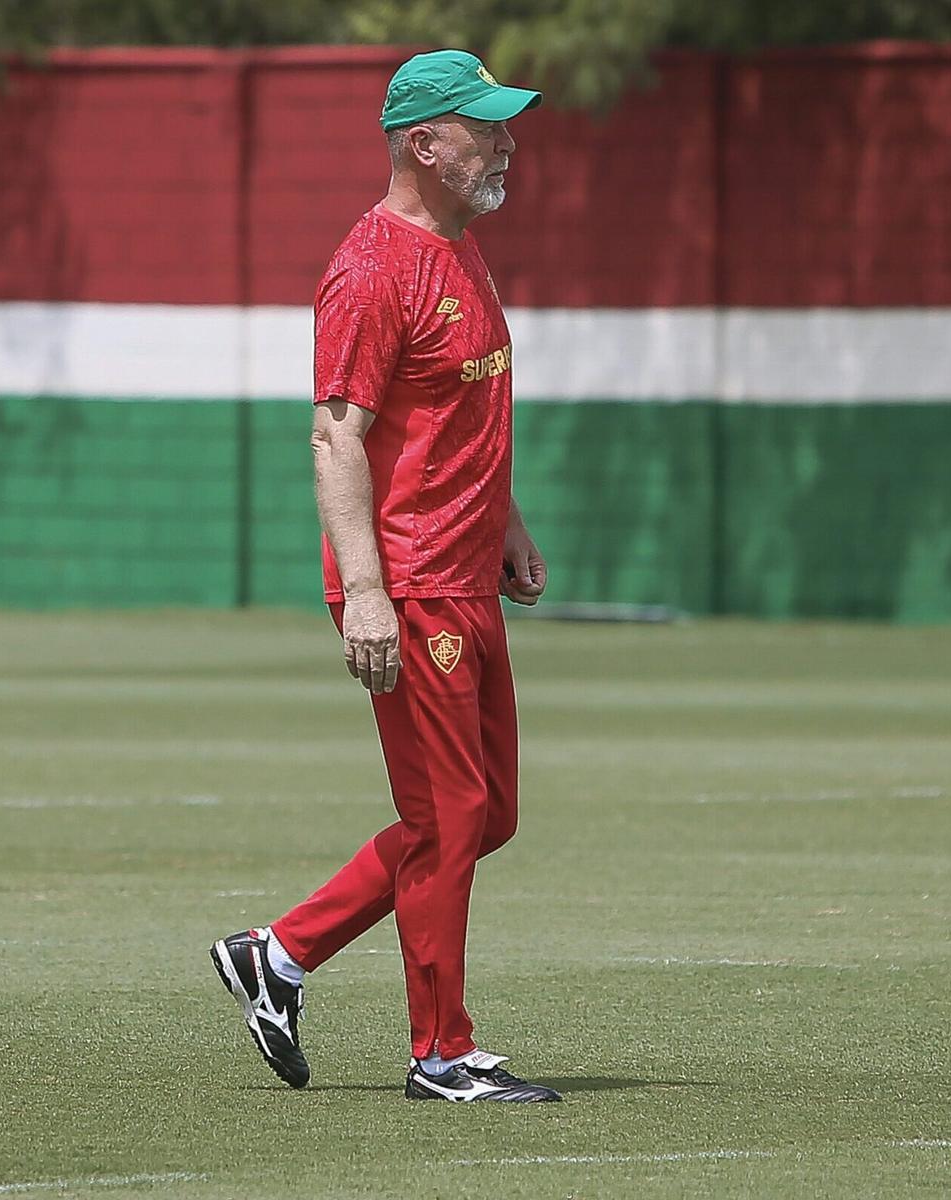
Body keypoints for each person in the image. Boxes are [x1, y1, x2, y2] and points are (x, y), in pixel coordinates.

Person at [210, 49, 557, 1104]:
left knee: (484, 814)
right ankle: (441, 1054)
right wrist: (365, 591)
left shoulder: (462, 247)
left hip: (464, 568)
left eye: (503, 123)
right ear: (424, 143)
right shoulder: (371, 268)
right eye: (484, 126)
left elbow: (455, 413)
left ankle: (279, 954)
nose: (504, 143)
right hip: (407, 580)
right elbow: (336, 436)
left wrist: (506, 521)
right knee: (452, 810)